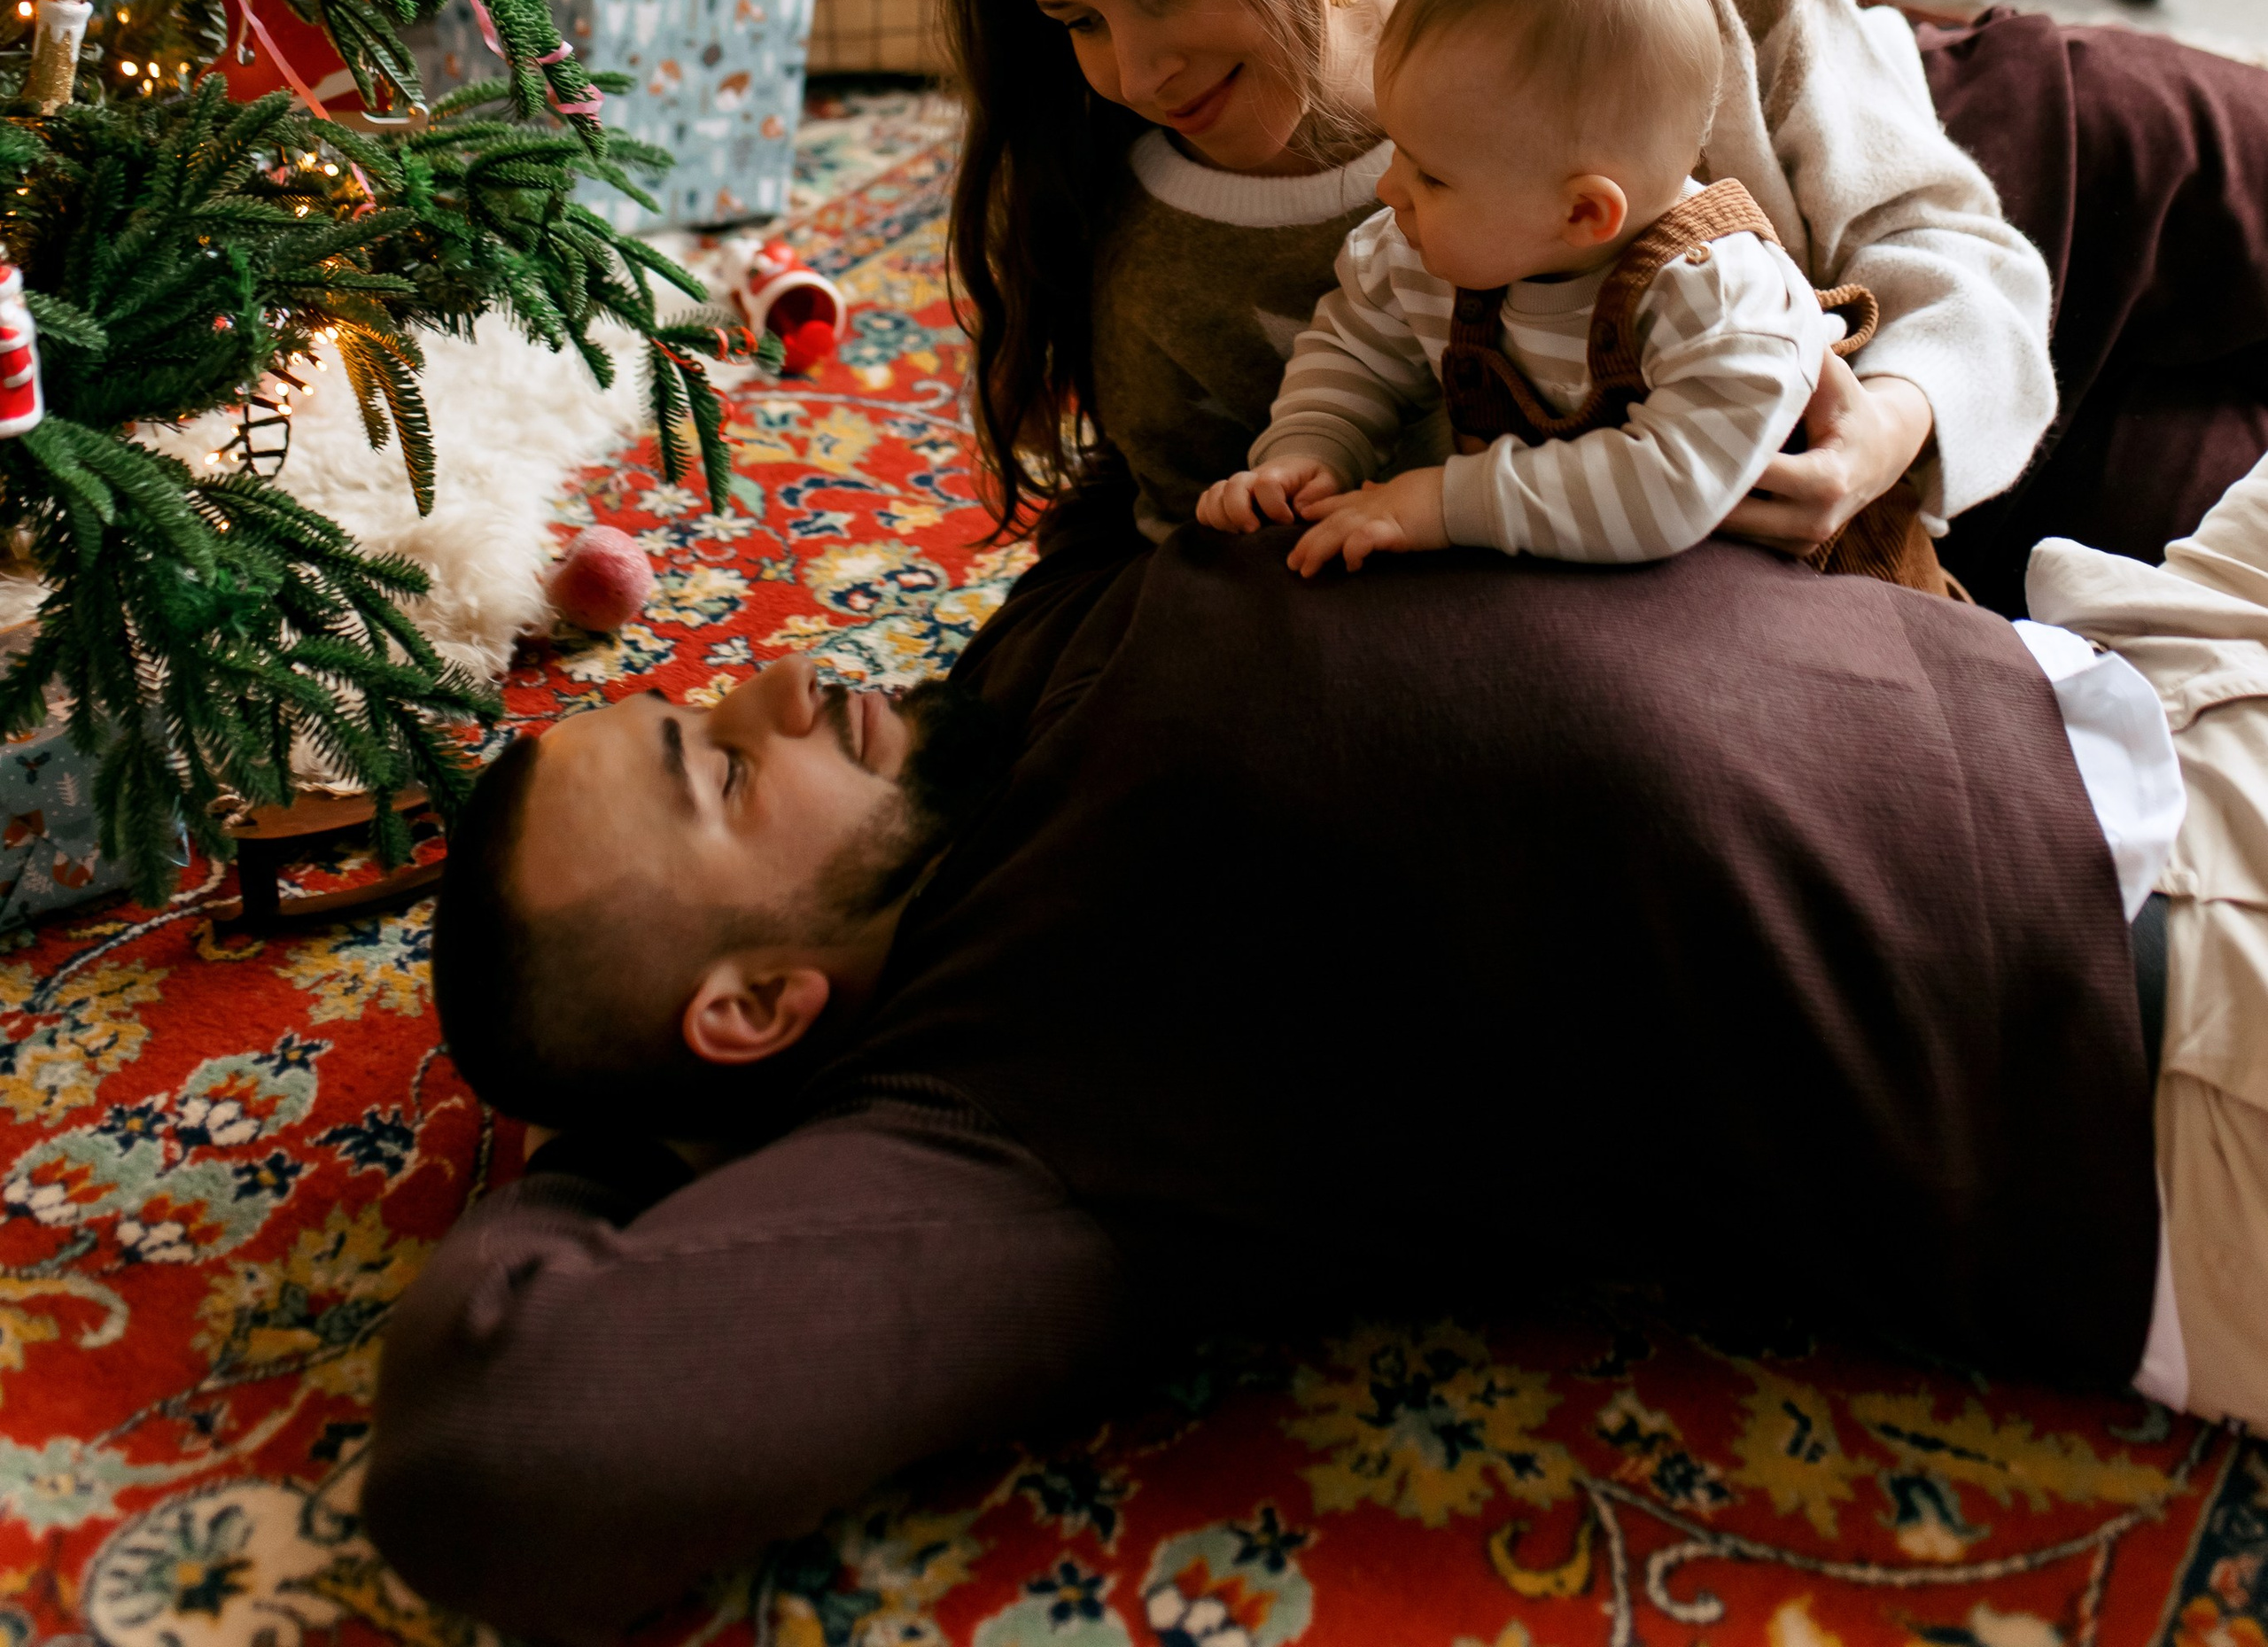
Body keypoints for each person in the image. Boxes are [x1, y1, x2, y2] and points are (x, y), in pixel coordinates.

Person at [367, 487, 2262, 1642]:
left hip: (2117, 654)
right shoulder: (1001, 1113)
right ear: (756, 1009)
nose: (775, 681)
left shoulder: (993, 724)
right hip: (2172, 1004)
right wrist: (651, 1141)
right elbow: (510, 1464)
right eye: (719, 774)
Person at [943, 0, 2268, 610]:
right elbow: (1256, 599)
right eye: (1075, 21)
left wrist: (1892, 437)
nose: (1132, 71)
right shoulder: (1165, 282)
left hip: (2007, 224)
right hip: (1841, 572)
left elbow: (1942, 234)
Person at [1197, 0, 1861, 578]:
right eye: (1397, 151)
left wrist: (1440, 503)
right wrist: (1309, 451)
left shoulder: (1721, 299)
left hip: (1807, 584)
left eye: (1430, 175)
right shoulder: (1415, 256)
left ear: (1581, 214)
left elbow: (1666, 489)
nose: (1388, 190)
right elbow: (1353, 355)